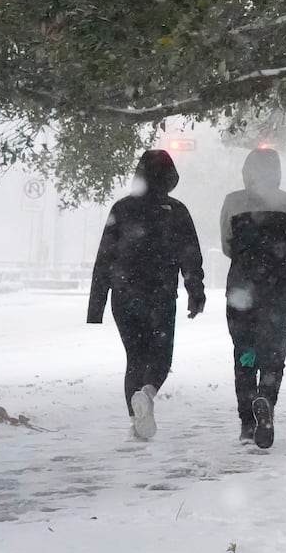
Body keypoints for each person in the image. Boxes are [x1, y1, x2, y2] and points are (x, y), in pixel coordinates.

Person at [87, 149, 205, 441]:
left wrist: (96, 306)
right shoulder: (175, 210)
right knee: (160, 358)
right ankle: (147, 395)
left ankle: (135, 421)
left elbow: (105, 257)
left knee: (135, 358)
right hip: (160, 295)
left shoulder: (122, 208)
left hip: (124, 295)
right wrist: (195, 292)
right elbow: (190, 255)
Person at [220, 147, 286, 449]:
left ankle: (246, 424)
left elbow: (226, 245)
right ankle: (265, 399)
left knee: (244, 352)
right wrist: (276, 266)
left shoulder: (233, 203)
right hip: (277, 292)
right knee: (274, 353)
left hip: (241, 291)